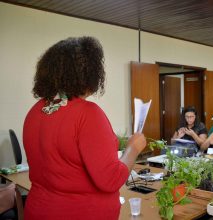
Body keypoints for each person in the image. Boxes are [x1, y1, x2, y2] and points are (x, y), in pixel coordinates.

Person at [22, 37, 147, 220]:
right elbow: (111, 179)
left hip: (38, 209)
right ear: (88, 74)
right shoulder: (88, 114)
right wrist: (133, 148)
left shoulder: (35, 112)